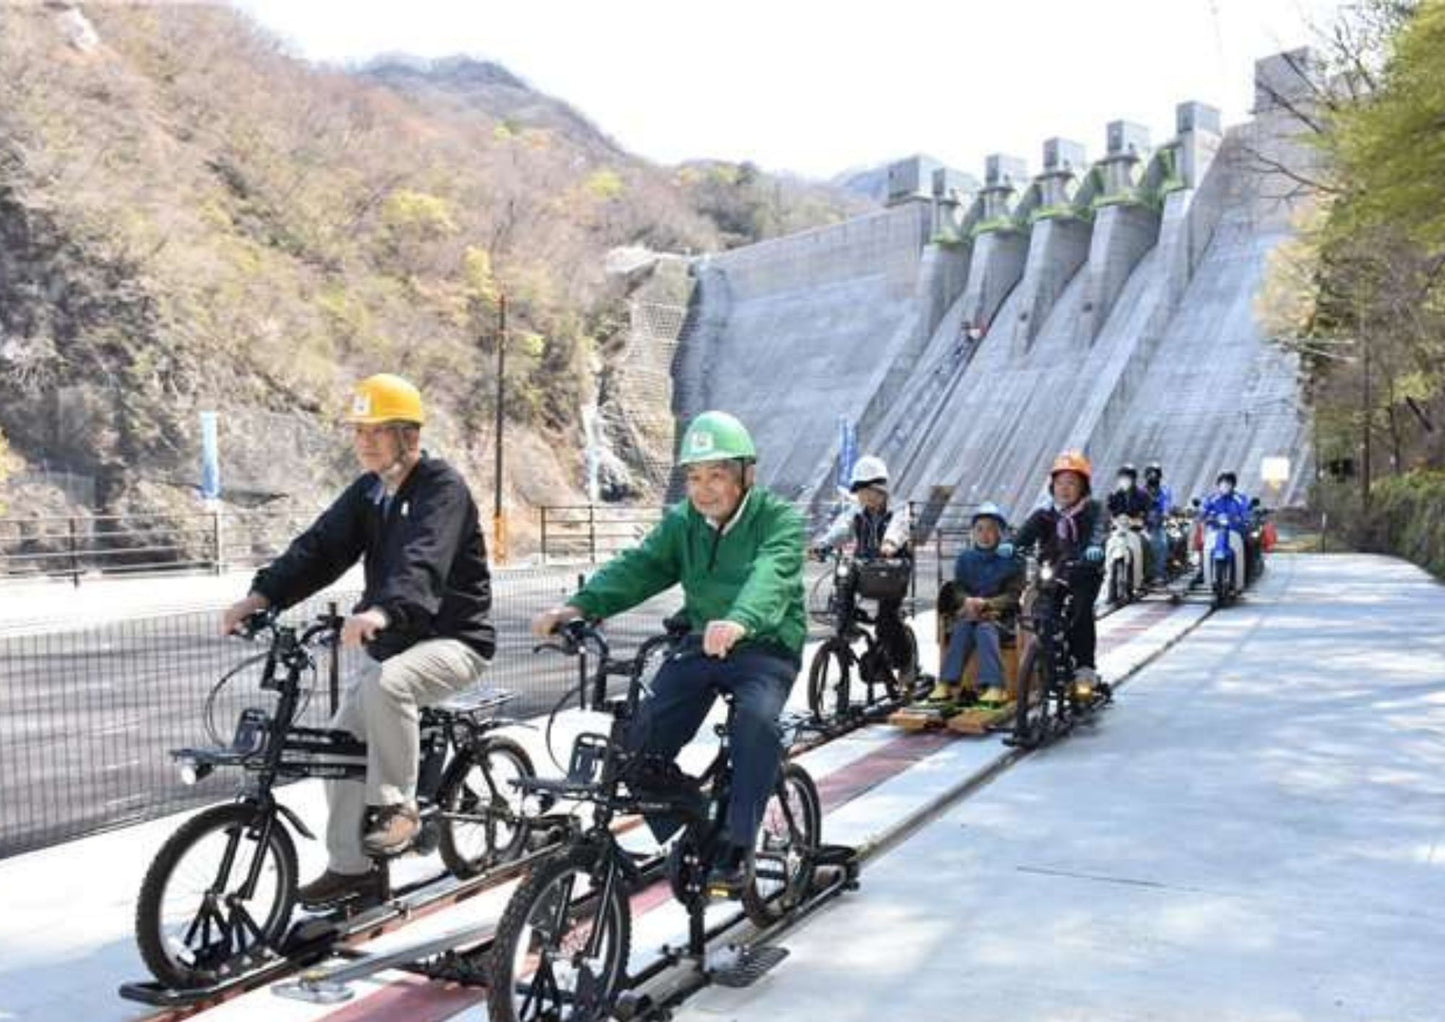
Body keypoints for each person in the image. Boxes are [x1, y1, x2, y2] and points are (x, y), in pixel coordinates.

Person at [221, 373, 494, 908]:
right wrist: (262, 597)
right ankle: (354, 870)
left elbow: (424, 561)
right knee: (341, 747)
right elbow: (320, 548)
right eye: (359, 432)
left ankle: (399, 809)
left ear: (409, 437)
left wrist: (381, 610)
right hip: (397, 642)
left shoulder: (442, 488)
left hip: (455, 640)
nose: (364, 442)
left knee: (390, 686)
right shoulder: (370, 492)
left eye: (378, 431)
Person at [531, 411, 805, 896]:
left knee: (755, 724)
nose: (703, 490)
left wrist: (741, 619)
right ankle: (695, 815)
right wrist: (579, 606)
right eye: (694, 477)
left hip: (765, 646)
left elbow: (773, 574)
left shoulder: (777, 519)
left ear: (746, 475)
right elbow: (640, 566)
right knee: (638, 742)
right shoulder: (684, 523)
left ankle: (740, 841)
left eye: (717, 475)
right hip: (701, 643)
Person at [999, 451, 1106, 691]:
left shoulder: (1094, 510)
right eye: (1059, 483)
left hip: (1084, 573)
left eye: (1071, 483)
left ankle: (1085, 668)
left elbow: (1100, 530)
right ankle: (1045, 662)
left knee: (1080, 613)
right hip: (1053, 573)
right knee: (1040, 614)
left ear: (1083, 487)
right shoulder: (1045, 515)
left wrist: (1095, 548)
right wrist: (1011, 546)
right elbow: (1024, 535)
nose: (1064, 489)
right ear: (1052, 487)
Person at [812, 455, 914, 675]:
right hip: (866, 567)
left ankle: (906, 665)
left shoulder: (898, 509)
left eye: (867, 492)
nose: (863, 498)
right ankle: (845, 628)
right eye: (860, 493)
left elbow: (899, 527)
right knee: (844, 584)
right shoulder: (857, 512)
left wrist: (889, 544)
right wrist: (823, 545)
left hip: (893, 571)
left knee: (887, 621)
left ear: (880, 490)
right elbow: (842, 528)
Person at [929, 503, 1023, 706]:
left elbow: (1013, 595)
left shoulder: (1013, 559)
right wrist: (967, 601)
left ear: (1000, 532)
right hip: (970, 614)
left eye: (990, 528)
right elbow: (958, 587)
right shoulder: (966, 559)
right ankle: (947, 683)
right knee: (962, 628)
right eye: (979, 529)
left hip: (1001, 618)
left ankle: (995, 686)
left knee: (984, 629)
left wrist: (988, 604)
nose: (984, 534)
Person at [1199, 470, 1252, 593]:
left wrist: (1245, 518)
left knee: (1248, 547)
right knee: (1203, 548)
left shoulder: (1239, 498)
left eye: (1228, 483)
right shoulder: (1212, 498)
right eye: (1222, 483)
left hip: (1235, 532)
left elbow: (1246, 512)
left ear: (1233, 485)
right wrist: (1203, 515)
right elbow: (1203, 510)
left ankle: (1245, 576)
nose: (1225, 486)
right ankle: (1202, 571)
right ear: (1218, 484)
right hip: (1215, 533)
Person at [1106, 463, 1152, 591]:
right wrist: (1111, 520)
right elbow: (1108, 512)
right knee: (1104, 545)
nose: (1124, 480)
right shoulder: (1113, 495)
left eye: (1127, 478)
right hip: (1118, 530)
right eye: (1122, 478)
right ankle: (1104, 576)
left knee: (1147, 544)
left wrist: (1141, 521)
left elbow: (1148, 513)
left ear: (1133, 479)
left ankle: (1146, 576)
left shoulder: (1142, 495)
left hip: (1136, 530)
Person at [1141, 462, 1174, 584]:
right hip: (1142, 525)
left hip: (1158, 525)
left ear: (1159, 476)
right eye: (1150, 473)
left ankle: (1159, 573)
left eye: (1155, 473)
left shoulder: (1164, 491)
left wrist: (1165, 512)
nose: (1152, 476)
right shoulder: (1140, 491)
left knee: (1162, 545)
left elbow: (1166, 504)